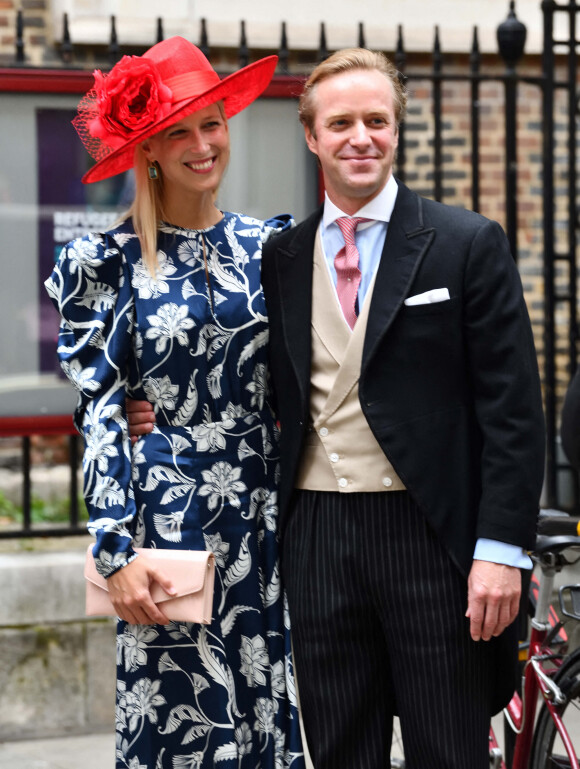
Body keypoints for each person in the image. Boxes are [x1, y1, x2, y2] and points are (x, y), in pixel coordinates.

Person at [127, 47, 546, 768]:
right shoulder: (281, 256)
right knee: (341, 749)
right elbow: (234, 368)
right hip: (316, 534)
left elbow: (512, 412)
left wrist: (500, 551)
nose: (362, 136)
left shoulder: (465, 243)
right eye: (343, 121)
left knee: (448, 749)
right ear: (312, 135)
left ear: (397, 130)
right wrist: (153, 406)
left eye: (377, 120)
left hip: (430, 535)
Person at [45, 36, 306, 769]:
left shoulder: (271, 247)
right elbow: (99, 411)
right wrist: (113, 548)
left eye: (212, 123)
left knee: (261, 719)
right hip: (167, 524)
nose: (202, 144)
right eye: (177, 132)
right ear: (148, 151)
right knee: (182, 727)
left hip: (260, 521)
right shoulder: (104, 261)